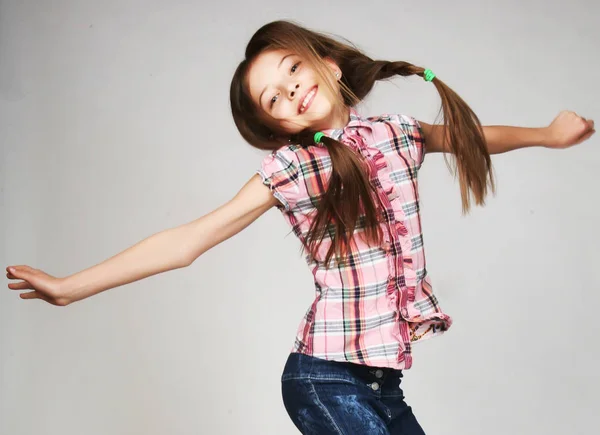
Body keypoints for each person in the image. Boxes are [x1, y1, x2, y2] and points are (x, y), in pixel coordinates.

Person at [6, 20, 595, 435]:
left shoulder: (396, 132)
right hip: (324, 380)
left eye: (292, 69)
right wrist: (71, 285)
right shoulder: (294, 167)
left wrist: (546, 135)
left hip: (381, 382)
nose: (290, 88)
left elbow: (470, 137)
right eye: (274, 97)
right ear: (276, 125)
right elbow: (190, 239)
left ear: (327, 64)